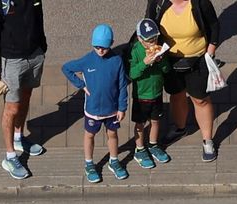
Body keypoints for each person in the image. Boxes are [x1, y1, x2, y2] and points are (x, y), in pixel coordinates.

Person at [144, 0, 221, 162]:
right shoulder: (158, 2)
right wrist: (153, 51)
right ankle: (180, 128)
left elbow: (214, 26)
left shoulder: (200, 2)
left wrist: (210, 51)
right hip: (169, 60)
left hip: (197, 60)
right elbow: (148, 26)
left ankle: (207, 141)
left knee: (200, 100)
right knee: (177, 95)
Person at [0, 0, 48, 180]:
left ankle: (19, 138)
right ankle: (10, 156)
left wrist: (42, 46)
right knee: (11, 108)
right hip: (12, 61)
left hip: (35, 55)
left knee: (26, 97)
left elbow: (39, 17)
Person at [61, 25, 129, 184]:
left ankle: (114, 160)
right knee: (90, 135)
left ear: (111, 43)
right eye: (97, 47)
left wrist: (122, 107)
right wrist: (81, 85)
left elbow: (122, 85)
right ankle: (89, 164)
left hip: (112, 110)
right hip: (93, 110)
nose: (100, 50)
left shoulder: (117, 61)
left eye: (104, 47)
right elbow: (66, 68)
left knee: (112, 134)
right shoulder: (87, 60)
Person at [126, 18, 172, 169]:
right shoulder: (135, 51)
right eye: (149, 40)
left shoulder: (159, 49)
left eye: (155, 39)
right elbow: (132, 74)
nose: (153, 43)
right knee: (140, 124)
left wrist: (161, 61)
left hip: (157, 93)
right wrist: (144, 63)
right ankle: (139, 149)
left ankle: (153, 145)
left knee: (155, 121)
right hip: (141, 96)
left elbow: (166, 70)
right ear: (140, 39)